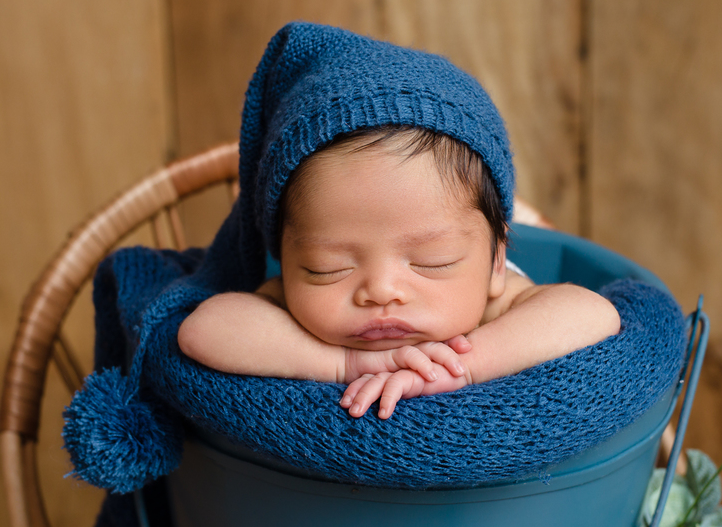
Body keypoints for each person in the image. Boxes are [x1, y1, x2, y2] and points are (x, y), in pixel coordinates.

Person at [177, 24, 621, 419]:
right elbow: (203, 331)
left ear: (495, 261)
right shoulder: (292, 311)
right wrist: (343, 365)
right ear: (285, 258)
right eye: (327, 267)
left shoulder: (492, 307)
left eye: (433, 261)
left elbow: (593, 314)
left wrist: (463, 368)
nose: (381, 291)